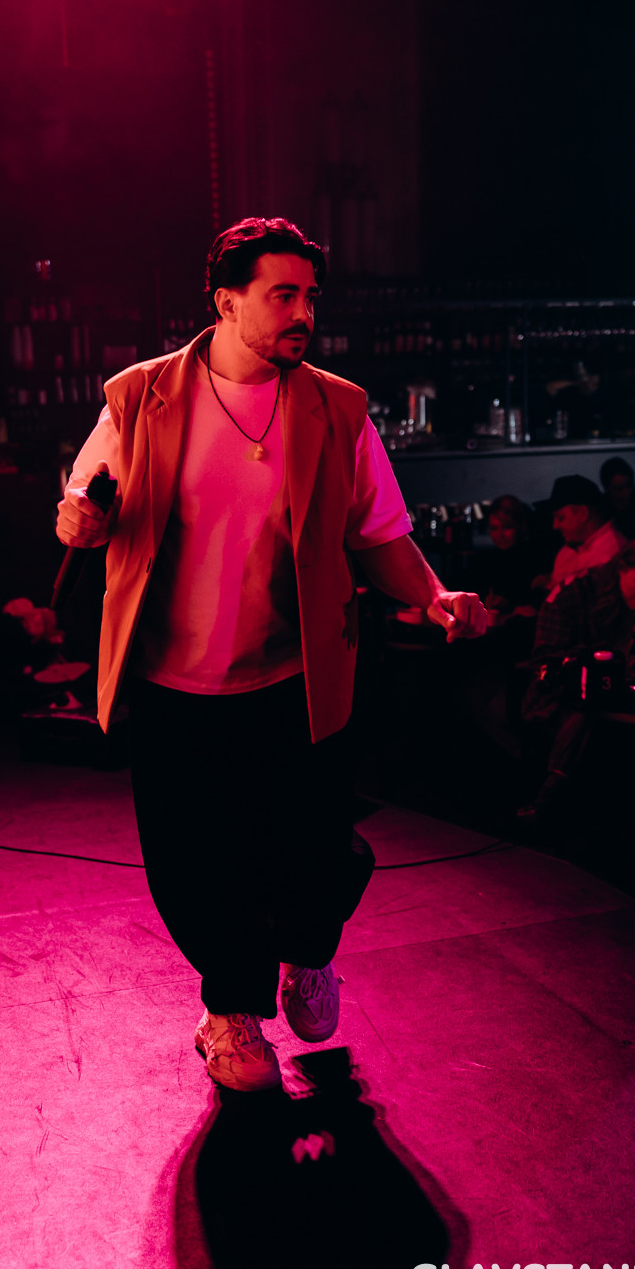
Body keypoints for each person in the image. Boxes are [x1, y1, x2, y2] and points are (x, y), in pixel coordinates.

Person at [55, 217, 488, 1091]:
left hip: (295, 678)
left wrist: (433, 596)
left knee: (317, 851)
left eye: (310, 297)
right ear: (227, 302)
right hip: (175, 685)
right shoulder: (141, 397)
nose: (303, 315)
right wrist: (81, 521)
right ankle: (231, 1013)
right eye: (283, 295)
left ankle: (309, 954)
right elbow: (85, 503)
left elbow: (379, 533)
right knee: (196, 865)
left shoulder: (336, 407)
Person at [518, 536, 635, 821]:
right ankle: (550, 799)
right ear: (622, 569)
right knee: (590, 712)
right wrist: (602, 662)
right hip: (559, 696)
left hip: (624, 699)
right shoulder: (575, 594)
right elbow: (544, 663)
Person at [545, 474, 626, 599]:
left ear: (583, 514)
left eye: (560, 518)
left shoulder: (612, 554)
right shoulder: (570, 548)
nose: (555, 526)